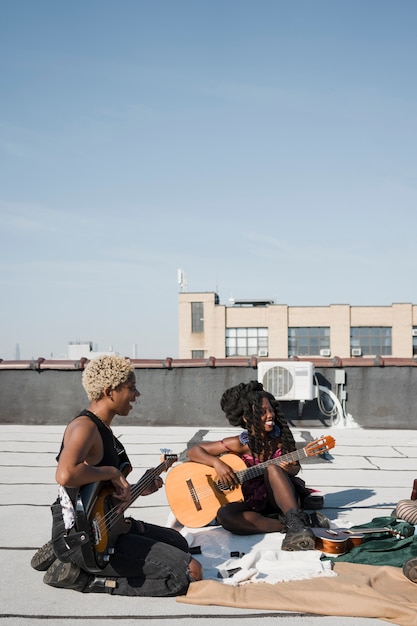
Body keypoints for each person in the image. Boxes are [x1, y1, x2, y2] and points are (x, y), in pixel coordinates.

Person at [31, 355, 202, 596]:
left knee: (179, 542)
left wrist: (135, 489)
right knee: (186, 573)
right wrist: (112, 472)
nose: (137, 395)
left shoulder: (104, 429)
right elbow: (66, 474)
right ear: (109, 391)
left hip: (107, 523)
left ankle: (65, 553)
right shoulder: (85, 427)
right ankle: (80, 575)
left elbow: (98, 491)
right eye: (131, 388)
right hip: (87, 536)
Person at [187, 381, 329, 551]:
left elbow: (295, 468)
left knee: (272, 469)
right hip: (250, 501)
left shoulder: (281, 439)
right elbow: (195, 451)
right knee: (225, 516)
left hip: (280, 499)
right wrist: (218, 464)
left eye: (271, 410)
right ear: (247, 418)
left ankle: (297, 527)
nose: (270, 415)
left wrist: (290, 470)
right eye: (262, 412)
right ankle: (287, 524)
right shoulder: (240, 443)